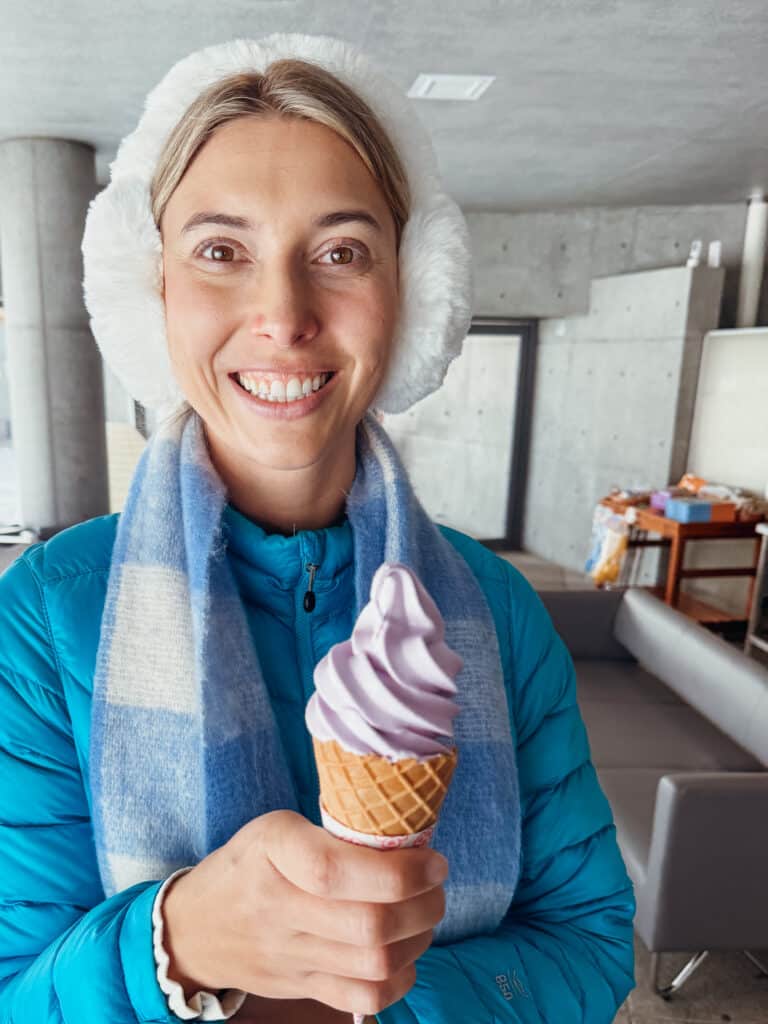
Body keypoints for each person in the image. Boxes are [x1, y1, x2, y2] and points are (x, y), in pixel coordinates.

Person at [0, 34, 636, 1024]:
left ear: (412, 290)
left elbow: (589, 942)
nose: (284, 314)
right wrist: (176, 942)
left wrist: (376, 997)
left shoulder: (500, 611)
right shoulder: (45, 616)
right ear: (152, 287)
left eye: (341, 252)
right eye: (221, 251)